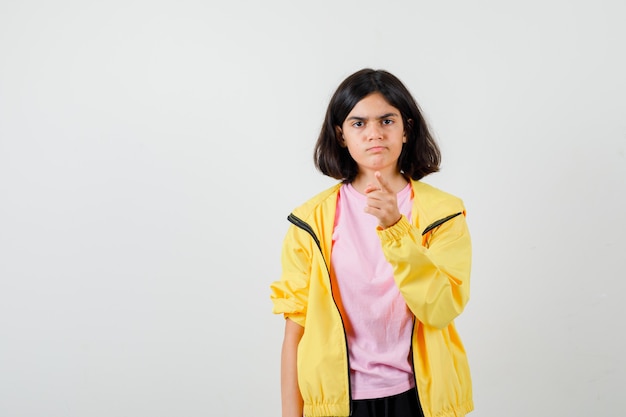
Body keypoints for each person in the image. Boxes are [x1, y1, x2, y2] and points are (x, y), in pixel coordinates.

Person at [269, 68, 473, 417]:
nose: (374, 133)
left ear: (407, 129)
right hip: (339, 403)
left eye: (387, 121)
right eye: (358, 123)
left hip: (420, 398)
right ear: (341, 135)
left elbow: (440, 308)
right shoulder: (310, 222)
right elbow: (296, 333)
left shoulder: (445, 213)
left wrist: (396, 228)